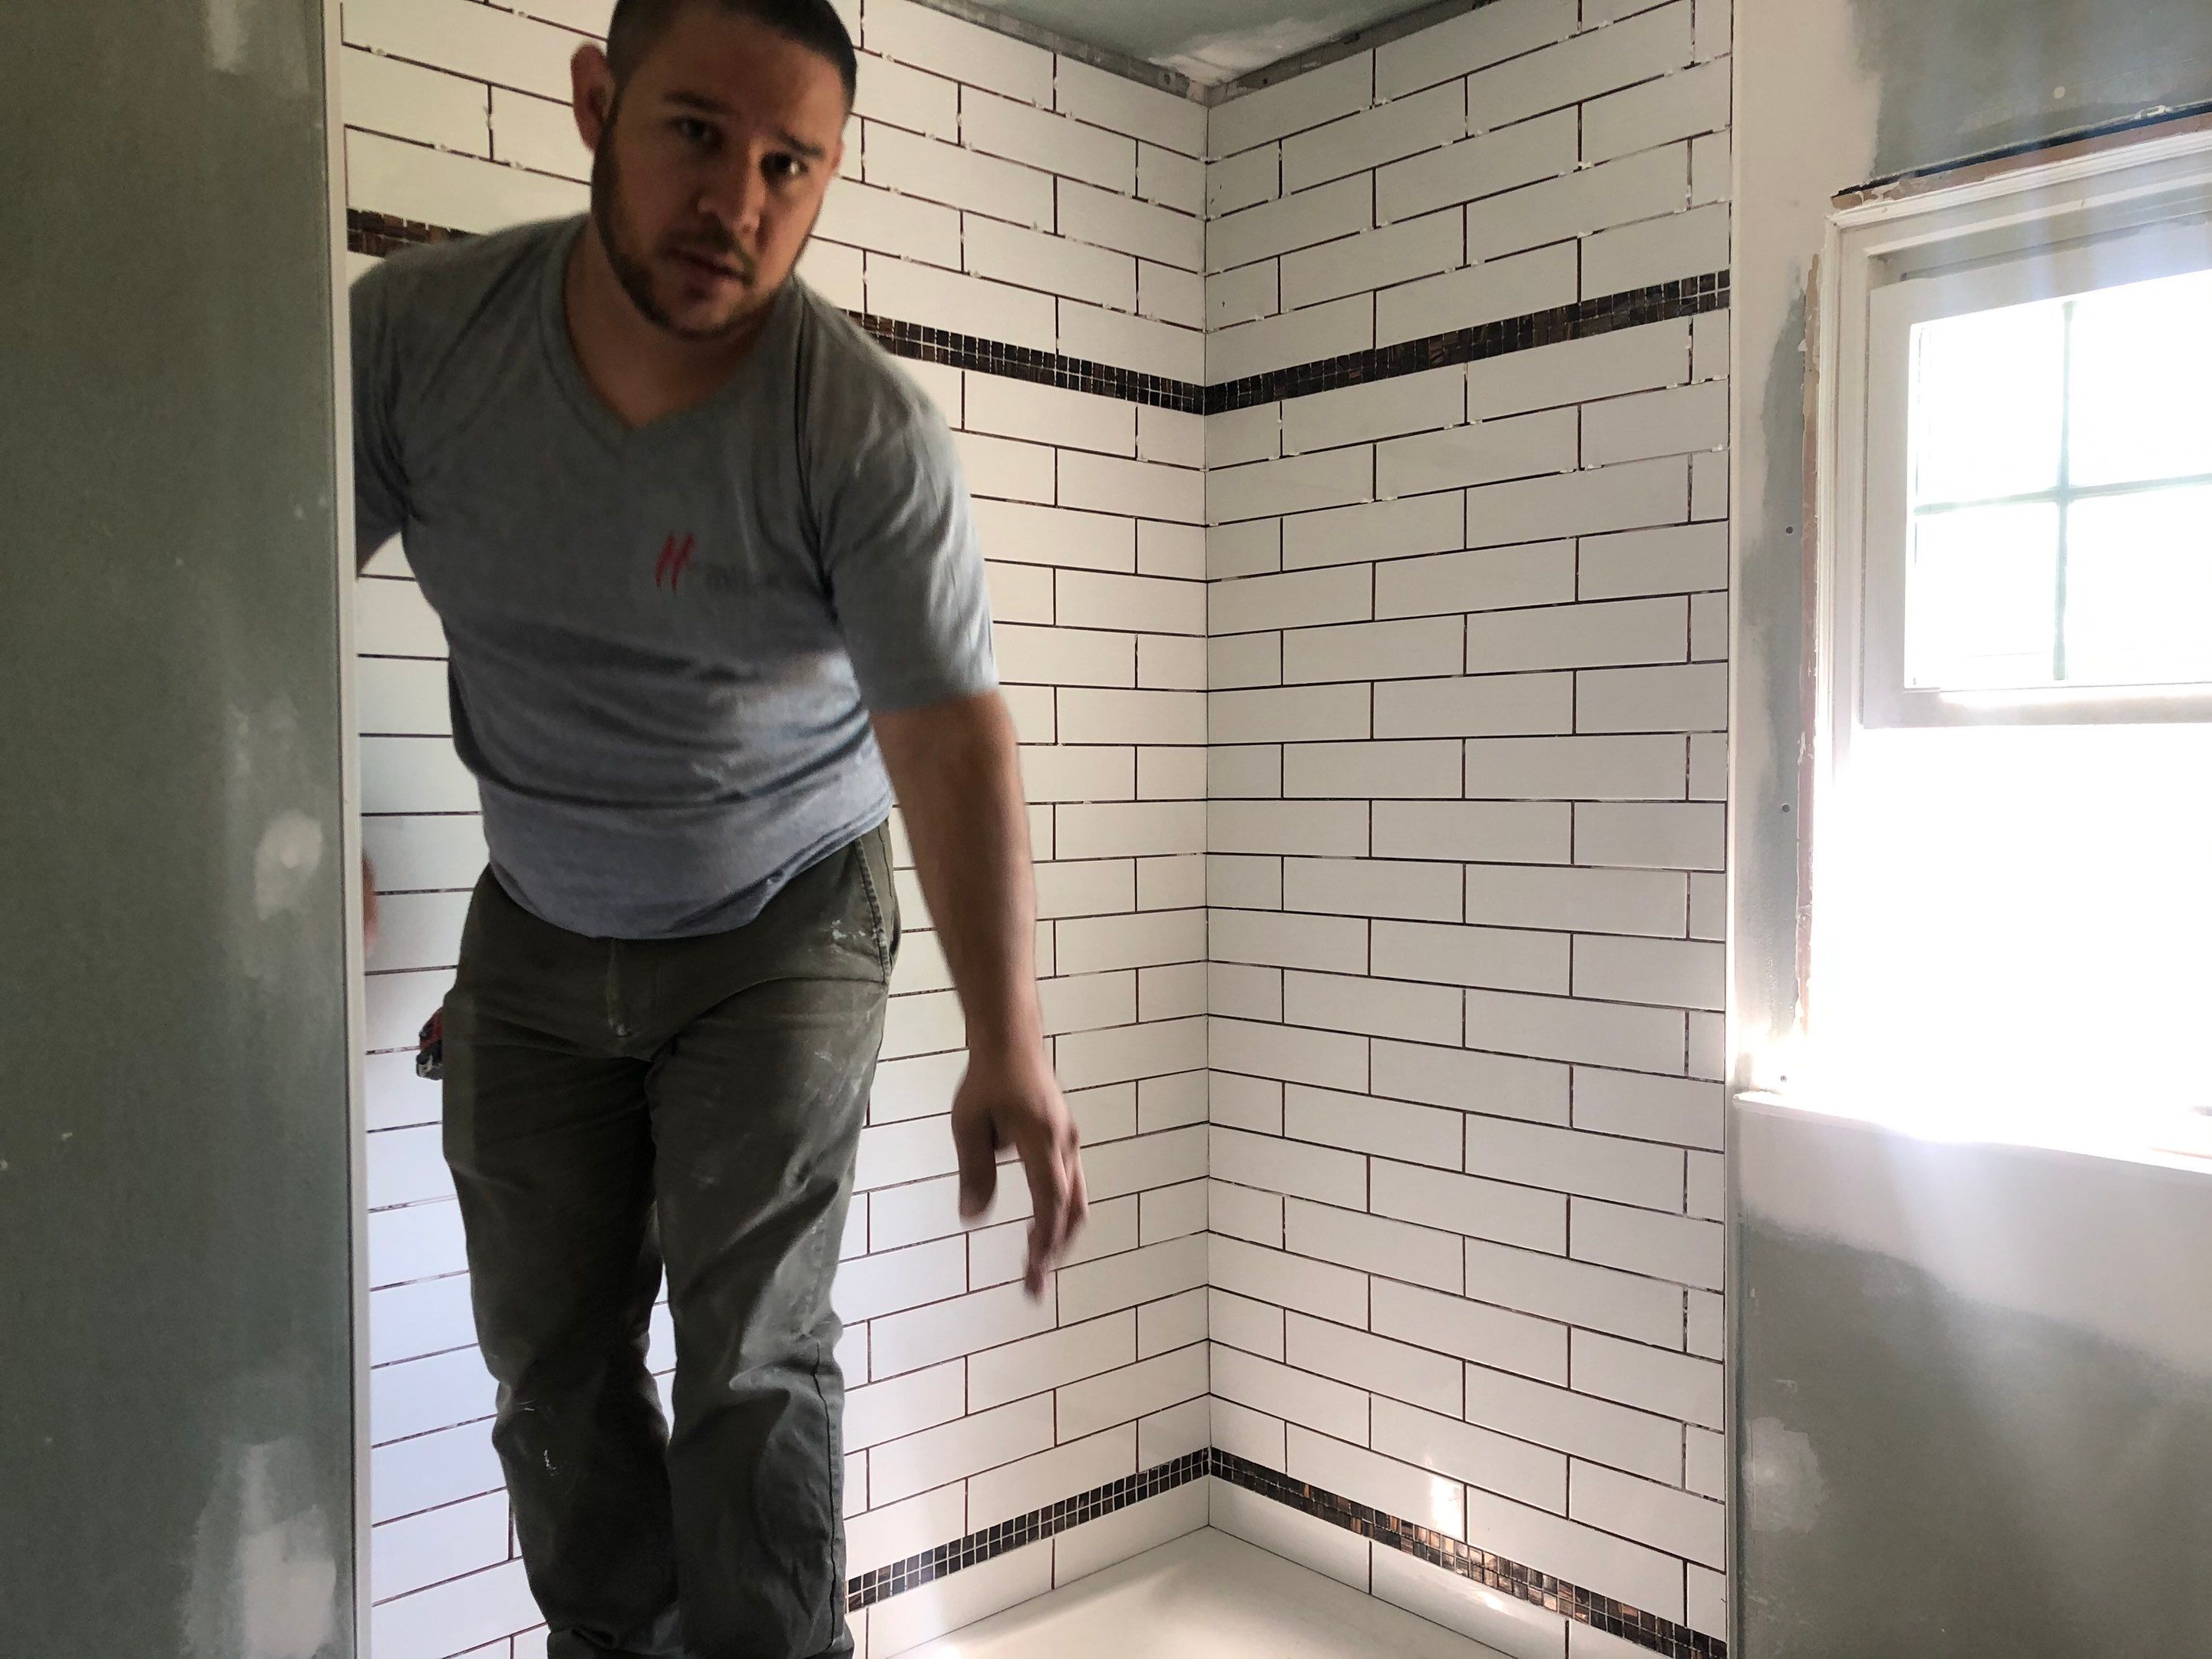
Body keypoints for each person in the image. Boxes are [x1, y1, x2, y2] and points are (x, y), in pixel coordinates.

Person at [348, 2, 1088, 1654]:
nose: (736, 203)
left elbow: (948, 736)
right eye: (695, 133)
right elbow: (240, 558)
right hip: (537, 920)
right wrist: (284, 826)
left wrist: (1008, 1039)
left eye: (787, 166)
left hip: (782, 918)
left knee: (751, 1363)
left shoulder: (857, 431)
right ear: (597, 102)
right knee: (547, 1366)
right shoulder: (416, 344)